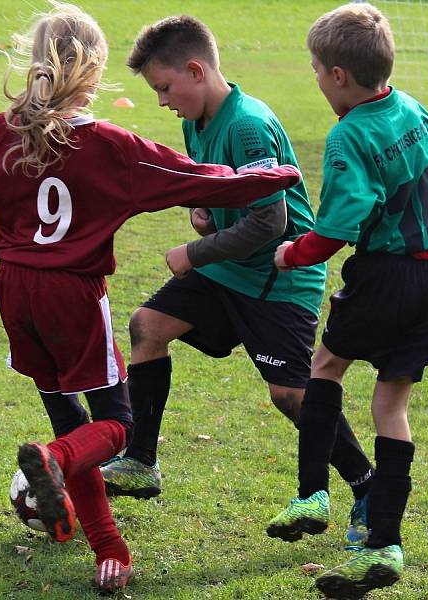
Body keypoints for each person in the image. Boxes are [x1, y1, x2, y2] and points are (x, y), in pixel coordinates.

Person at [0, 3, 303, 593]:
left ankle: (107, 545)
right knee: (113, 423)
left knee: (68, 413)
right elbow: (200, 178)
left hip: (13, 289)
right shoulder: (113, 146)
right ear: (93, 72)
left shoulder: (0, 134)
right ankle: (53, 463)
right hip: (73, 295)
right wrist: (277, 176)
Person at [99, 14, 375, 549]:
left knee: (292, 395)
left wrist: (194, 252)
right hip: (229, 271)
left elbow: (269, 223)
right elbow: (217, 190)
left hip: (279, 276)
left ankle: (368, 486)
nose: (161, 101)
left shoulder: (248, 123)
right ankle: (140, 461)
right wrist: (202, 211)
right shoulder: (196, 120)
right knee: (148, 326)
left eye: (164, 87)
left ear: (196, 70)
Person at [267, 3, 428, 598]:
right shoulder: (411, 107)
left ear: (339, 77)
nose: (317, 78)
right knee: (390, 407)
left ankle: (312, 497)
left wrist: (293, 253)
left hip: (385, 279)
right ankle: (384, 542)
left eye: (317, 70)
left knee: (323, 368)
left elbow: (338, 226)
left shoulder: (349, 132)